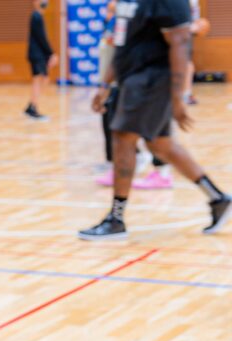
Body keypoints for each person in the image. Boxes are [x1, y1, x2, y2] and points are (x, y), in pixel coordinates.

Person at [79, 0, 231, 240]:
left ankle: (116, 219)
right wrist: (104, 83)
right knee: (161, 145)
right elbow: (121, 44)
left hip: (152, 79)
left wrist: (179, 95)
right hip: (131, 78)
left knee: (122, 138)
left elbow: (180, 43)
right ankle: (217, 198)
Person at [95, 0, 173, 190]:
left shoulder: (152, 13)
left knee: (155, 134)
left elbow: (184, 37)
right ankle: (129, 164)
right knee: (114, 125)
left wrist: (181, 95)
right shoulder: (118, 19)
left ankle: (161, 171)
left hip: (146, 80)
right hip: (121, 80)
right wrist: (104, 84)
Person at [25, 0, 58, 120]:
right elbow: (41, 38)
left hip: (38, 54)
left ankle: (31, 105)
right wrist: (51, 53)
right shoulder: (36, 16)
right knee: (39, 79)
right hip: (36, 54)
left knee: (42, 79)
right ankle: (33, 108)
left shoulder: (38, 16)